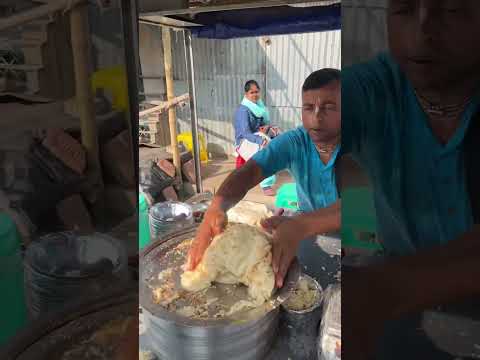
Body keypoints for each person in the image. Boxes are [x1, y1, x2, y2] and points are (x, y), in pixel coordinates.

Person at [342, 0, 480, 359]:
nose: (422, 31)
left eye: (450, 9)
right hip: (398, 294)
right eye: (403, 10)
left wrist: (390, 289)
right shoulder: (374, 89)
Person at [187, 68, 342, 288]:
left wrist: (298, 224)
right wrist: (217, 206)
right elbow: (249, 172)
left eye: (328, 107)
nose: (316, 116)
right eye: (308, 107)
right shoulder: (295, 142)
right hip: (309, 237)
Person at [234, 80, 279, 196]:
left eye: (256, 92)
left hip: (256, 136)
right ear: (246, 94)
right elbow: (245, 133)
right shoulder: (243, 110)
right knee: (265, 151)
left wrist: (271, 128)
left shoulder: (259, 106)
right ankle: (266, 184)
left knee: (278, 138)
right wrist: (261, 140)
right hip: (244, 141)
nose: (255, 95)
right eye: (251, 92)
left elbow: (263, 124)